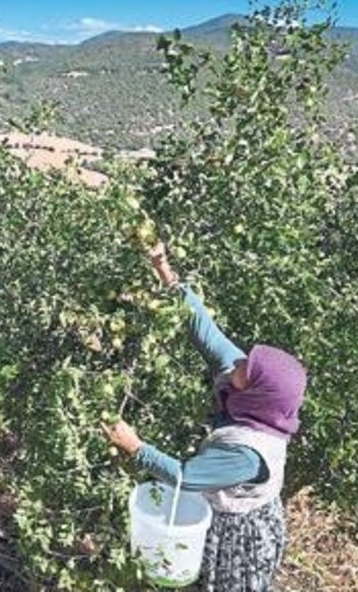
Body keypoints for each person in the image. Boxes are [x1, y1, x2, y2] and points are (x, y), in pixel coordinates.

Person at [105, 242, 307, 592]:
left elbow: (185, 478)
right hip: (221, 510)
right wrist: (165, 272)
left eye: (249, 368)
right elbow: (205, 331)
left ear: (260, 391)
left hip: (239, 535)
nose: (240, 362)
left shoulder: (247, 454)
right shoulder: (250, 389)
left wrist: (135, 447)